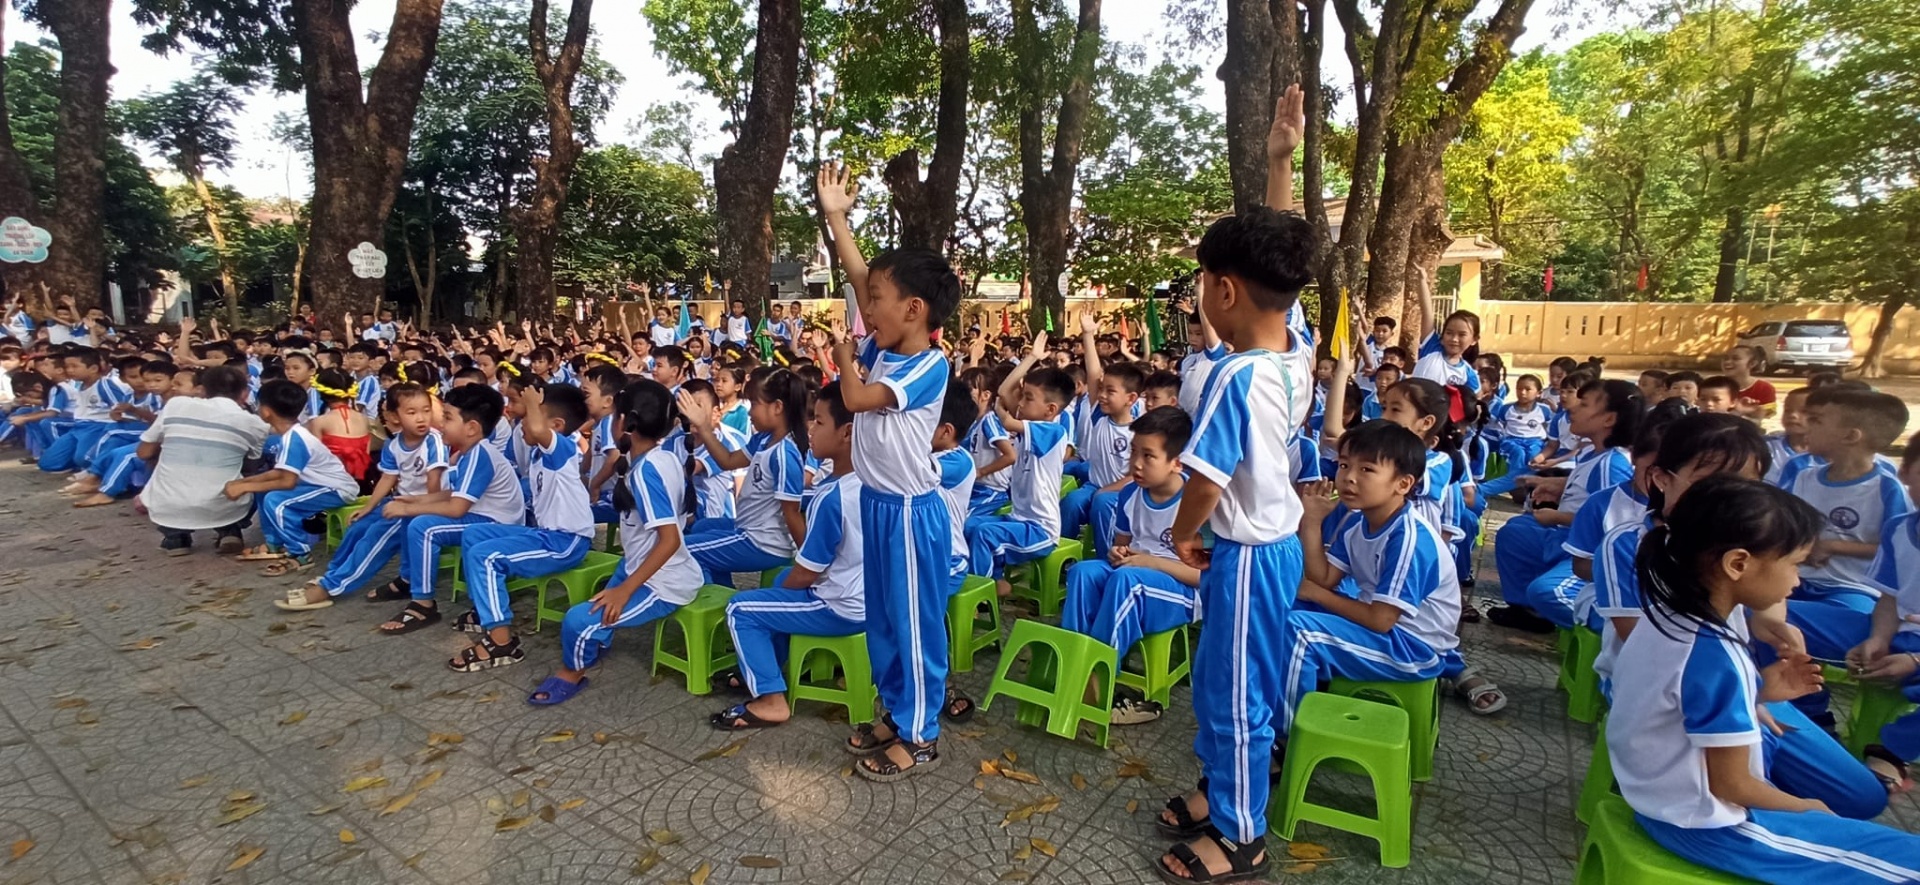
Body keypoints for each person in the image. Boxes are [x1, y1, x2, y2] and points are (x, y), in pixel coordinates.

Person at [1153, 83, 1315, 884]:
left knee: (1232, 691)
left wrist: (1183, 531)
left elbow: (1206, 481)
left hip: (1245, 552)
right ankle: (1222, 790)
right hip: (1272, 549)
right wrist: (1280, 164)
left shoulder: (1236, 377)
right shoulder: (1294, 351)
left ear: (1221, 290)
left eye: (1203, 283)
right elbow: (1275, 260)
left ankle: (1242, 834)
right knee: (1231, 680)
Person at [1609, 476, 1919, 882]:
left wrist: (1759, 691)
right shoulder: (1716, 654)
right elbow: (1733, 786)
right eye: (1794, 565)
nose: (1796, 582)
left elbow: (1676, 703)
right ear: (1738, 564)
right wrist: (1805, 808)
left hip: (1658, 797)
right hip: (1715, 827)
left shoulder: (1666, 615)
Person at [819, 159, 961, 782]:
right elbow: (860, 280)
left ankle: (921, 733)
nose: (866, 307)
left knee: (913, 625)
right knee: (883, 621)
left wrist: (843, 356)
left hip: (908, 512)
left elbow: (853, 400)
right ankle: (898, 711)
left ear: (914, 309)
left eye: (878, 300)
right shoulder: (886, 341)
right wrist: (837, 220)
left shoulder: (928, 364)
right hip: (878, 505)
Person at [523, 380, 703, 705]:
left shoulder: (647, 472)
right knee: (598, 602)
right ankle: (599, 633)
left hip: (664, 584)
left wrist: (625, 590)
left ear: (622, 422)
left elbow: (670, 541)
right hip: (638, 566)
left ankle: (572, 672)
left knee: (577, 621)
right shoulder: (660, 458)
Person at [1287, 419, 1461, 740]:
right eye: (1344, 465)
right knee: (1284, 607)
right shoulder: (1357, 523)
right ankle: (1301, 693)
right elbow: (1323, 578)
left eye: (1367, 469)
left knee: (1299, 632)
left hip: (1414, 647)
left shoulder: (1409, 539)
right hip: (1384, 630)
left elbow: (1380, 620)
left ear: (1403, 484)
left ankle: (1286, 736)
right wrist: (1311, 521)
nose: (1349, 477)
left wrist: (1316, 593)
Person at [708, 382, 867, 727]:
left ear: (847, 433)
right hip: (869, 602)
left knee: (741, 609)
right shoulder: (874, 483)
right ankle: (768, 668)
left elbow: (808, 573)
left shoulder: (831, 497)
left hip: (839, 607)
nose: (810, 429)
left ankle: (771, 700)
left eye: (820, 422)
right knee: (780, 582)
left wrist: (785, 593)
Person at [1773, 386, 1912, 727]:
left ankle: (1813, 714)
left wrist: (1834, 546)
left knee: (1787, 624)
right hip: (1797, 581)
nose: (1805, 424)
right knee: (1766, 620)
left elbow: (1894, 549)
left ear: (1851, 436)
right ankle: (1806, 706)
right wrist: (1803, 547)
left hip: (1850, 590)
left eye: (1817, 420)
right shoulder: (1802, 476)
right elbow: (1779, 527)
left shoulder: (1885, 488)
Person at [1060, 406, 1200, 726]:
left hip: (1181, 591)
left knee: (1128, 580)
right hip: (1135, 574)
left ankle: (1096, 681)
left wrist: (1150, 562)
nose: (1135, 463)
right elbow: (1122, 545)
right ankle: (1073, 665)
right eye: (1133, 452)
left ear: (1177, 462)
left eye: (1148, 456)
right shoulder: (1129, 495)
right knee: (1083, 572)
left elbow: (1204, 577)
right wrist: (1118, 553)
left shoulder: (1196, 502)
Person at [447, 383, 597, 671]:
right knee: (475, 534)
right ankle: (485, 611)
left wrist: (530, 402)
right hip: (546, 535)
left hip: (566, 542)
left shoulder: (562, 449)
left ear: (556, 426)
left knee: (485, 557)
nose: (522, 424)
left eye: (529, 417)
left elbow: (540, 430)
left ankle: (501, 642)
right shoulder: (541, 454)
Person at [273, 383, 447, 609]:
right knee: (358, 526)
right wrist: (368, 508)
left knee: (375, 537)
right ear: (394, 416)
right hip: (400, 501)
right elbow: (388, 479)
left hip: (422, 507)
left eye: (426, 410)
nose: (421, 418)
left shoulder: (433, 441)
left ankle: (331, 586)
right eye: (412, 412)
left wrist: (422, 509)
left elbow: (435, 481)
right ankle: (333, 573)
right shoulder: (393, 444)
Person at [371, 384, 527, 632]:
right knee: (415, 517)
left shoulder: (480, 454)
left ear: (471, 428)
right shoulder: (470, 452)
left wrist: (410, 510)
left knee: (424, 527)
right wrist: (414, 501)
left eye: (447, 417)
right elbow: (455, 494)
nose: (440, 423)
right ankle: (410, 581)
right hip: (483, 516)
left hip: (498, 524)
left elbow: (456, 509)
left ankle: (423, 604)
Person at [1489, 379, 1640, 633]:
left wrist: (1557, 517)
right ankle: (1530, 612)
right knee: (1514, 533)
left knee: (1547, 593)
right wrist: (1558, 485)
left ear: (1609, 419)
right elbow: (1589, 492)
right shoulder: (1593, 454)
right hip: (1566, 538)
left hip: (1586, 553)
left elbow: (1610, 526)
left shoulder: (1612, 465)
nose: (1572, 408)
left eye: (1584, 404)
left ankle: (1619, 629)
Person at [679, 369, 809, 585]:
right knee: (703, 527)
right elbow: (728, 461)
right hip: (750, 529)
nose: (749, 413)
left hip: (763, 543)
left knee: (683, 549)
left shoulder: (784, 453)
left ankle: (712, 600)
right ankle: (722, 590)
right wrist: (703, 427)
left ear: (777, 407)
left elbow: (792, 513)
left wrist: (808, 562)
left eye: (754, 404)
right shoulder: (764, 439)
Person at [963, 336, 1070, 595]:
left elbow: (1007, 419)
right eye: (1022, 396)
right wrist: (1031, 358)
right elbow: (1004, 391)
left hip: (1040, 530)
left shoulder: (1052, 432)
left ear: (1050, 409)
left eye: (1028, 398)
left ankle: (981, 594)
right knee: (968, 526)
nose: (1020, 403)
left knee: (985, 533)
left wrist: (1001, 410)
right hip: (1018, 518)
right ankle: (993, 579)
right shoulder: (1031, 428)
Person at [224, 379, 362, 575]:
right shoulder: (291, 434)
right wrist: (244, 482)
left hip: (336, 489)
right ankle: (274, 544)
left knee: (277, 500)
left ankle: (300, 554)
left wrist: (244, 487)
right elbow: (280, 472)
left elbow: (287, 482)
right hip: (318, 486)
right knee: (265, 493)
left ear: (266, 411)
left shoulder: (295, 438)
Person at [1846, 430, 1920, 792]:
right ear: (1904, 472)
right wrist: (1878, 638)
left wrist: (1916, 660)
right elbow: (1889, 599)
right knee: (1777, 620)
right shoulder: (1898, 529)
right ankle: (1807, 719)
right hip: (1896, 632)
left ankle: (1891, 751)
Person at [136, 365, 269, 555]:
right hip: (225, 503)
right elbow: (251, 466)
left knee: (157, 458)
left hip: (167, 504)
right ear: (245, 393)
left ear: (202, 389)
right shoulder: (255, 424)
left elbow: (144, 452)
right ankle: (230, 530)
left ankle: (175, 537)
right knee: (252, 474)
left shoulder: (175, 405)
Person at [1061, 314, 1139, 558]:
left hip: (1123, 492)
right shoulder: (1099, 416)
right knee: (1072, 501)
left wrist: (1107, 490)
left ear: (1131, 398)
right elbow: (1094, 373)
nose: (1102, 395)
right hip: (1095, 485)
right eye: (1102, 390)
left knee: (1102, 504)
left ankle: (1108, 559)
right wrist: (1088, 334)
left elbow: (1134, 477)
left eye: (1110, 391)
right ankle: (1062, 554)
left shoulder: (1139, 432)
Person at [36, 347, 132, 474]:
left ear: (93, 368)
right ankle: (76, 460)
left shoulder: (105, 385)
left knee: (84, 459)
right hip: (78, 426)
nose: (69, 370)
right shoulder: (79, 384)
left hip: (98, 426)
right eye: (67, 366)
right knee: (47, 464)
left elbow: (123, 409)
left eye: (74, 366)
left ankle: (93, 466)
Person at [1410, 269, 1481, 395]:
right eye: (1449, 333)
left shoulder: (1469, 375)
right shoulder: (1431, 347)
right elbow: (1427, 312)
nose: (1454, 339)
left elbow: (1473, 400)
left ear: (1474, 340)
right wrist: (1422, 280)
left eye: (1462, 334)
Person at [1722, 344, 1777, 419]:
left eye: (1735, 359)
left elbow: (1763, 417)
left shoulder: (1764, 388)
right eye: (1725, 358)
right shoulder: (1713, 385)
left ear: (1752, 364)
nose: (1727, 362)